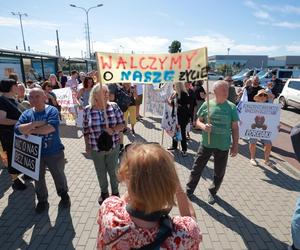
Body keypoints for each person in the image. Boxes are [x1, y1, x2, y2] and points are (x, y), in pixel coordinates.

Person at [97, 143, 202, 249]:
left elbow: (123, 201)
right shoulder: (182, 236)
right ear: (171, 184)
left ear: (126, 178)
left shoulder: (110, 212)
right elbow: (191, 219)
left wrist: (139, 172)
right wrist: (170, 174)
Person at [15, 88, 70, 213]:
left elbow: (50, 128)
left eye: (37, 96)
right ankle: (42, 201)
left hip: (54, 152)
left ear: (44, 96)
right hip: (35, 154)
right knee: (38, 178)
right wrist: (35, 124)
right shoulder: (26, 114)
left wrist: (30, 129)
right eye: (31, 97)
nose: (34, 99)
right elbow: (17, 129)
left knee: (58, 175)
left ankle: (64, 195)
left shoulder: (52, 110)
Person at [186, 80, 239, 204]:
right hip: (206, 144)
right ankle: (189, 191)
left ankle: (212, 192)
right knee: (196, 168)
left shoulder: (231, 107)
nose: (226, 92)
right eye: (223, 90)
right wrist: (203, 126)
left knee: (219, 172)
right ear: (215, 92)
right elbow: (198, 121)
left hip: (223, 145)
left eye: (227, 89)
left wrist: (235, 145)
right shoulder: (207, 105)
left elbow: (235, 127)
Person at [83, 84, 125, 205]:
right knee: (100, 172)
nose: (107, 94)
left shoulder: (114, 107)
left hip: (113, 147)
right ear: (95, 95)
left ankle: (116, 193)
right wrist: (87, 146)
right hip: (96, 148)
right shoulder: (87, 110)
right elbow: (85, 129)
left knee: (113, 171)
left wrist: (113, 130)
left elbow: (122, 125)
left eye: (107, 92)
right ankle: (104, 193)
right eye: (104, 92)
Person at [0, 79, 26, 190]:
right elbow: (1, 120)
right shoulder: (2, 101)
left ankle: (26, 173)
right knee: (11, 157)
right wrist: (18, 122)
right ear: (11, 87)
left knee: (20, 155)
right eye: (16, 85)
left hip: (18, 134)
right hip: (8, 136)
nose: (18, 87)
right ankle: (15, 180)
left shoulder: (12, 99)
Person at [248, 89, 275, 168]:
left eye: (264, 95)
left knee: (268, 144)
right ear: (258, 97)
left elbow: (273, 118)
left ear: (266, 98)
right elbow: (247, 117)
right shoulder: (252, 106)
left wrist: (276, 125)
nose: (262, 97)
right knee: (253, 143)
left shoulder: (270, 107)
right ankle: (252, 158)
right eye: (260, 95)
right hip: (254, 127)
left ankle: (266, 160)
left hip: (265, 128)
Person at [168, 82, 190, 157]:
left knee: (182, 133)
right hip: (176, 116)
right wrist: (171, 99)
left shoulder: (184, 94)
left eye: (174, 85)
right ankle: (174, 146)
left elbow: (185, 106)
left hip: (182, 117)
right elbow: (171, 104)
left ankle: (184, 150)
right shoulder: (176, 93)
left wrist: (176, 104)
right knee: (175, 131)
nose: (173, 86)